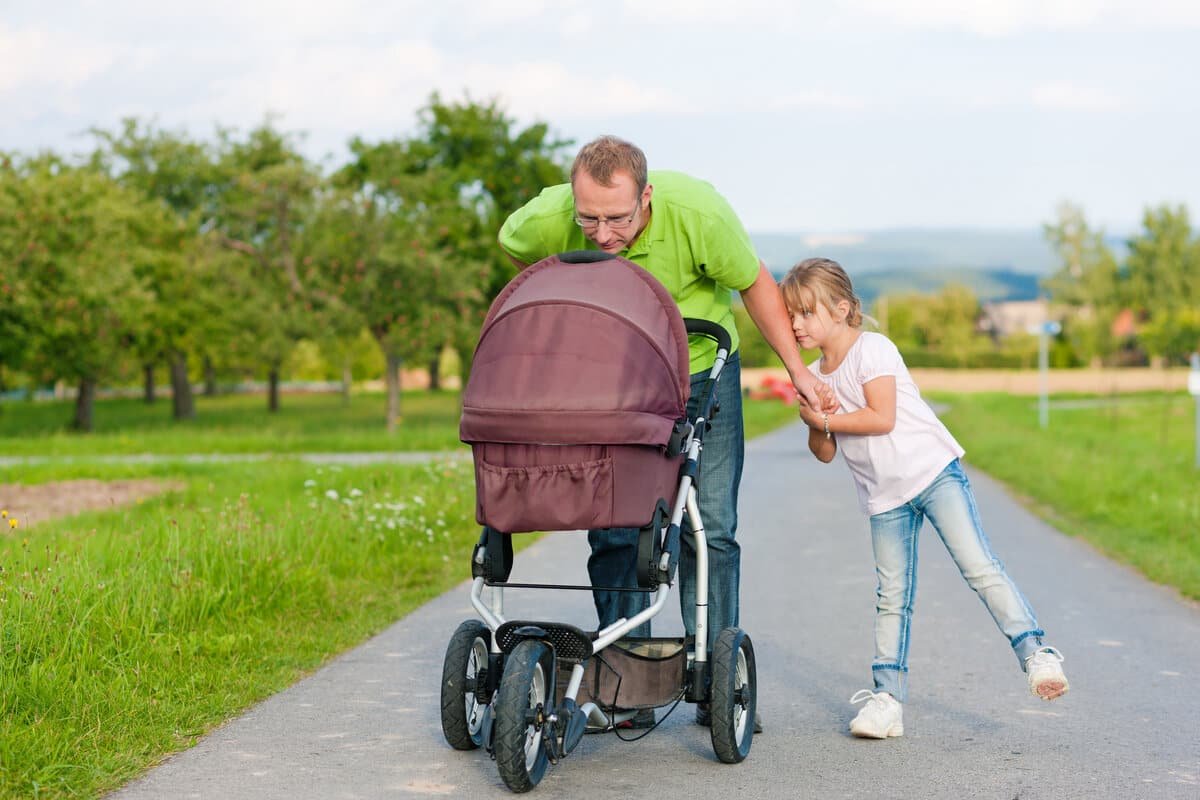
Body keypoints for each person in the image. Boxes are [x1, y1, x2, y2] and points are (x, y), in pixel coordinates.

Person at [498, 135, 832, 729]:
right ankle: (626, 683)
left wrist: (797, 371)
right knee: (617, 528)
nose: (601, 233)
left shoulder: (698, 214)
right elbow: (517, 250)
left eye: (617, 219)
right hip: (610, 387)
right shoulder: (553, 216)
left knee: (711, 531)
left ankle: (714, 679)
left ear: (646, 196)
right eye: (589, 218)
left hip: (700, 373)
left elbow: (754, 282)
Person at [780, 257, 1069, 739]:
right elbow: (824, 452)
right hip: (883, 498)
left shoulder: (873, 349)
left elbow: (881, 417)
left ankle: (1036, 654)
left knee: (979, 567)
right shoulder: (811, 375)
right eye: (791, 314)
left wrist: (827, 419)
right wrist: (815, 416)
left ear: (842, 308)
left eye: (805, 313)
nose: (795, 324)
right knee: (891, 597)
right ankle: (886, 701)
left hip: (934, 474)